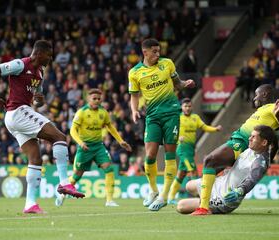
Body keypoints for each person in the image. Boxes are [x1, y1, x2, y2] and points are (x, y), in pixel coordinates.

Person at [0, 40, 84, 214]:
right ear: (39, 53)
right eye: (49, 54)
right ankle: (63, 182)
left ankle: (30, 203)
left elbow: (37, 100)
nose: (51, 58)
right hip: (17, 111)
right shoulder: (20, 64)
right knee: (60, 137)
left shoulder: (40, 72)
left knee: (36, 159)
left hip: (16, 116)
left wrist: (39, 100)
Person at [192, 84, 279, 215]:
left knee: (209, 160)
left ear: (265, 94)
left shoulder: (276, 108)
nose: (255, 97)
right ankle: (206, 203)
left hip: (243, 142)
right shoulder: (261, 110)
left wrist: (278, 116)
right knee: (212, 169)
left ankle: (204, 208)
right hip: (237, 140)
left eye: (257, 94)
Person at [128, 38, 195, 211]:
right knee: (149, 155)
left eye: (159, 51)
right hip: (152, 116)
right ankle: (153, 190)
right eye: (155, 51)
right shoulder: (135, 73)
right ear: (145, 52)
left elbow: (177, 84)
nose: (158, 54)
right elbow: (134, 95)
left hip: (172, 114)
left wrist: (185, 83)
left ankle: (164, 195)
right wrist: (134, 110)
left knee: (170, 154)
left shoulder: (167, 64)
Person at [55, 88, 132, 207]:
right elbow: (72, 130)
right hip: (84, 147)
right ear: (88, 99)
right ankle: (62, 193)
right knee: (76, 176)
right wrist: (80, 143)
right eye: (94, 98)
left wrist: (120, 141)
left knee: (109, 169)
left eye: (99, 99)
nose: (96, 101)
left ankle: (109, 200)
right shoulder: (82, 112)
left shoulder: (103, 112)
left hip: (98, 146)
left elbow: (110, 127)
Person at [177, 125, 278, 215]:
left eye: (253, 137)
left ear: (264, 142)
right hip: (220, 183)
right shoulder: (249, 149)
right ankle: (203, 200)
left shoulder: (260, 162)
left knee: (181, 206)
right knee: (189, 185)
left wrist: (240, 191)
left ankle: (208, 206)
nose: (249, 138)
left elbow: (252, 179)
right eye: (250, 135)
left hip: (226, 197)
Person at [167, 98, 222, 204]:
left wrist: (215, 129)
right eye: (185, 106)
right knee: (193, 171)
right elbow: (170, 132)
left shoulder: (195, 118)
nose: (187, 108)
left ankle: (171, 197)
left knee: (181, 174)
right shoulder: (178, 118)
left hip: (191, 149)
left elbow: (204, 127)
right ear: (181, 107)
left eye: (189, 106)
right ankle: (200, 196)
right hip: (182, 148)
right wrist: (178, 138)